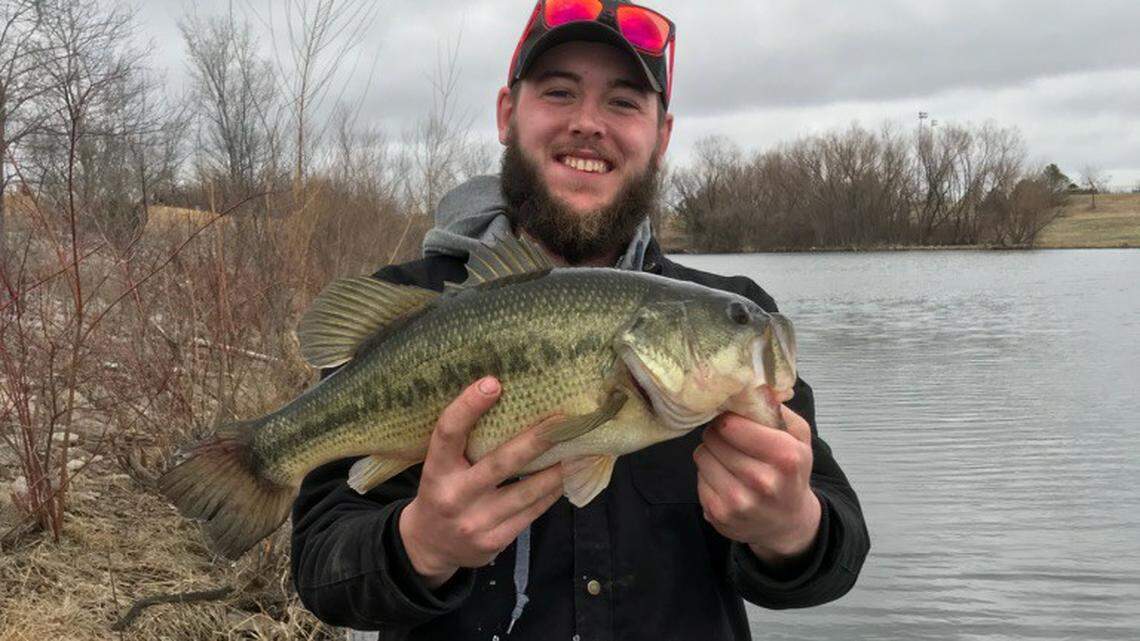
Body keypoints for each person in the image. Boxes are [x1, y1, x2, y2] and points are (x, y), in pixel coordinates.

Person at [290, 2, 870, 639]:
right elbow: (321, 567)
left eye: (624, 102)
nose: (588, 123)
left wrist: (792, 531)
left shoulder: (727, 310)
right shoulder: (410, 305)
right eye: (559, 92)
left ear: (662, 135)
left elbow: (838, 551)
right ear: (508, 115)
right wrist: (418, 547)